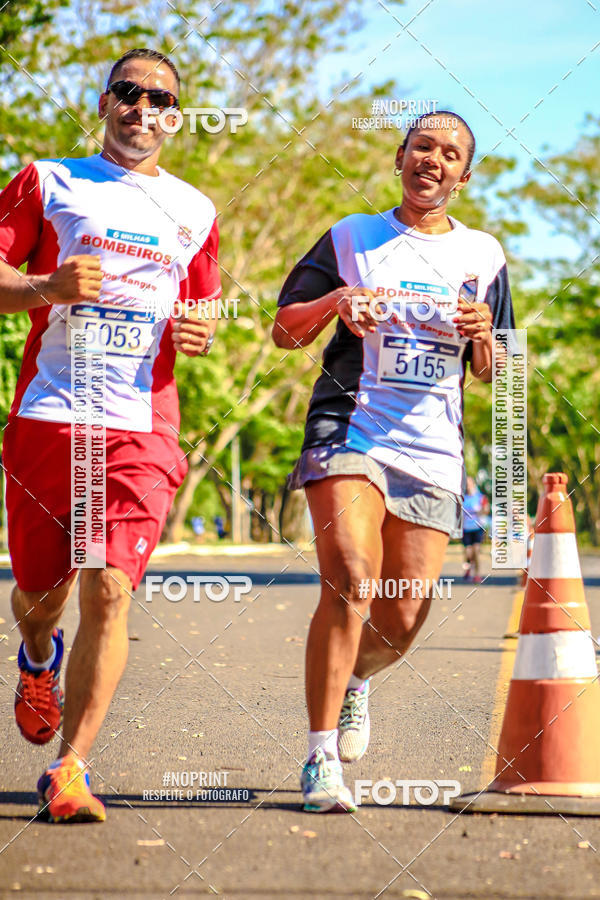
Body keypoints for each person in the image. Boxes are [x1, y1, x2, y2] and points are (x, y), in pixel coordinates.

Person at [0, 48, 221, 823]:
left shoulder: (195, 210)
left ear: (176, 118)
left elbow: (202, 306)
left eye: (161, 99)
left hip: (140, 424)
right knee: (41, 594)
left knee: (110, 584)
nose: (143, 107)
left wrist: (200, 331)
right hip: (51, 414)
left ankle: (71, 767)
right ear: (104, 103)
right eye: (129, 92)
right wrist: (44, 286)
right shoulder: (48, 181)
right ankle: (37, 655)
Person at [273, 112, 515, 812]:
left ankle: (356, 680)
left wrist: (484, 337)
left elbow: (501, 370)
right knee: (351, 576)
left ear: (463, 176)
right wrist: (337, 300)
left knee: (402, 620)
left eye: (450, 153)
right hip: (348, 429)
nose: (433, 159)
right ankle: (321, 758)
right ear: (400, 157)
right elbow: (285, 330)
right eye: (422, 146)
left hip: (433, 450)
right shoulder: (353, 236)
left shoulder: (484, 254)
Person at [462, 476, 489, 583]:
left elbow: (486, 510)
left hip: (478, 527)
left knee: (476, 551)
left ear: (473, 485)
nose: (468, 486)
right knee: (468, 552)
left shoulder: (480, 497)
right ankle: (468, 568)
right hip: (466, 528)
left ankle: (477, 574)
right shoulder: (462, 498)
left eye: (469, 484)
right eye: (466, 484)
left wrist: (480, 511)